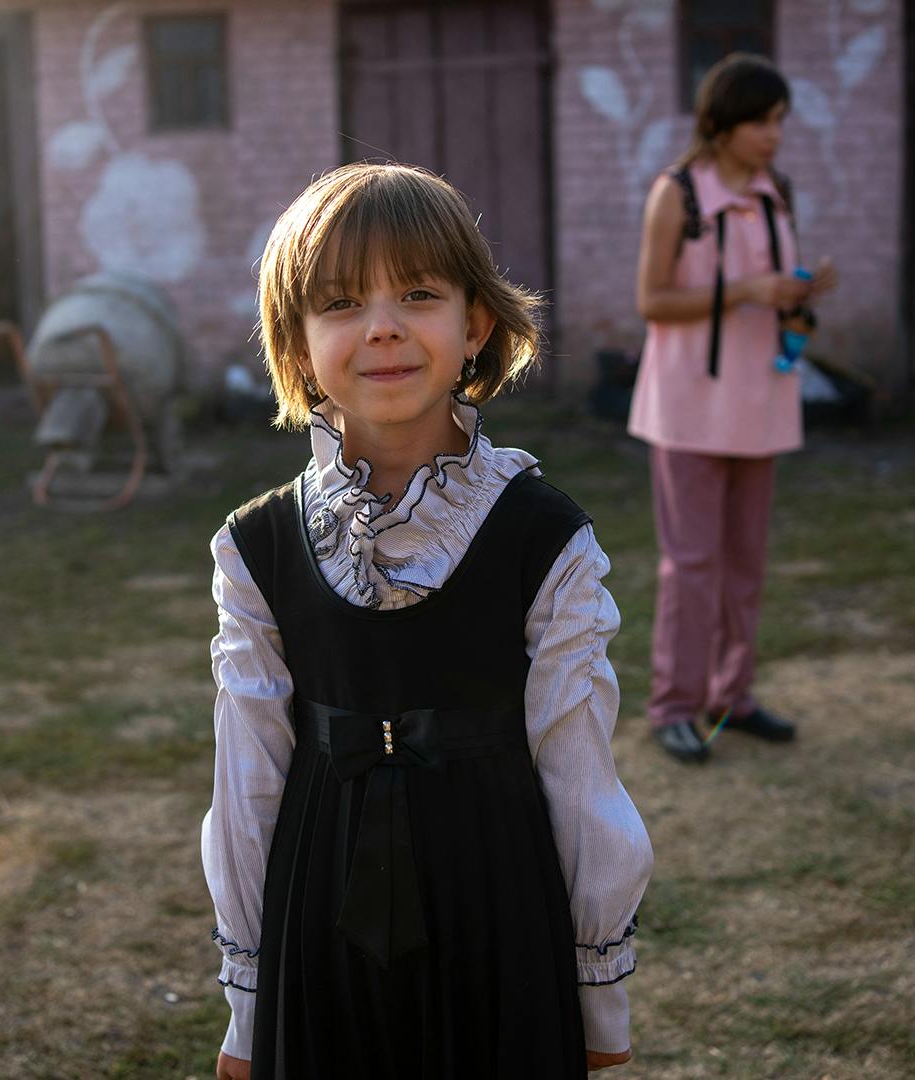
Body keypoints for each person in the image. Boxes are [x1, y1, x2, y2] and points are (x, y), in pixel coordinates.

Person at [202, 162, 653, 1079]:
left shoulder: (545, 535)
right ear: (295, 339)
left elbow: (579, 769)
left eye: (417, 292)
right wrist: (249, 1008)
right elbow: (246, 784)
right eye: (338, 303)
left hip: (498, 902)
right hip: (316, 907)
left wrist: (595, 989)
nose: (382, 327)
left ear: (475, 322)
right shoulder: (255, 547)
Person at [629, 54, 838, 764]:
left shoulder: (777, 190)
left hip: (761, 400)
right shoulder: (678, 193)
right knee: (692, 564)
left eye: (780, 120)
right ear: (720, 122)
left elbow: (767, 288)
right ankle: (674, 707)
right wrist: (750, 290)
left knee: (745, 562)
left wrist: (796, 296)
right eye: (760, 120)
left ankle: (732, 697)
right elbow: (651, 301)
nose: (773, 134)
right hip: (689, 406)